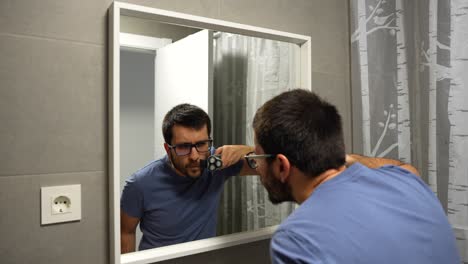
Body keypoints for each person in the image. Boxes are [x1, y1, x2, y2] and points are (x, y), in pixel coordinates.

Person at [246, 89, 460, 263]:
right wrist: (332, 154)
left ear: (282, 166)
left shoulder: (296, 239)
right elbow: (406, 168)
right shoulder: (408, 181)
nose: (257, 165)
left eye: (258, 156)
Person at [120, 103, 256, 253]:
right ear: (168, 149)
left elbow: (275, 167)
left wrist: (248, 150)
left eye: (201, 144)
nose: (194, 156)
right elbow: (125, 232)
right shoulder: (139, 184)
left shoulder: (217, 164)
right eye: (183, 147)